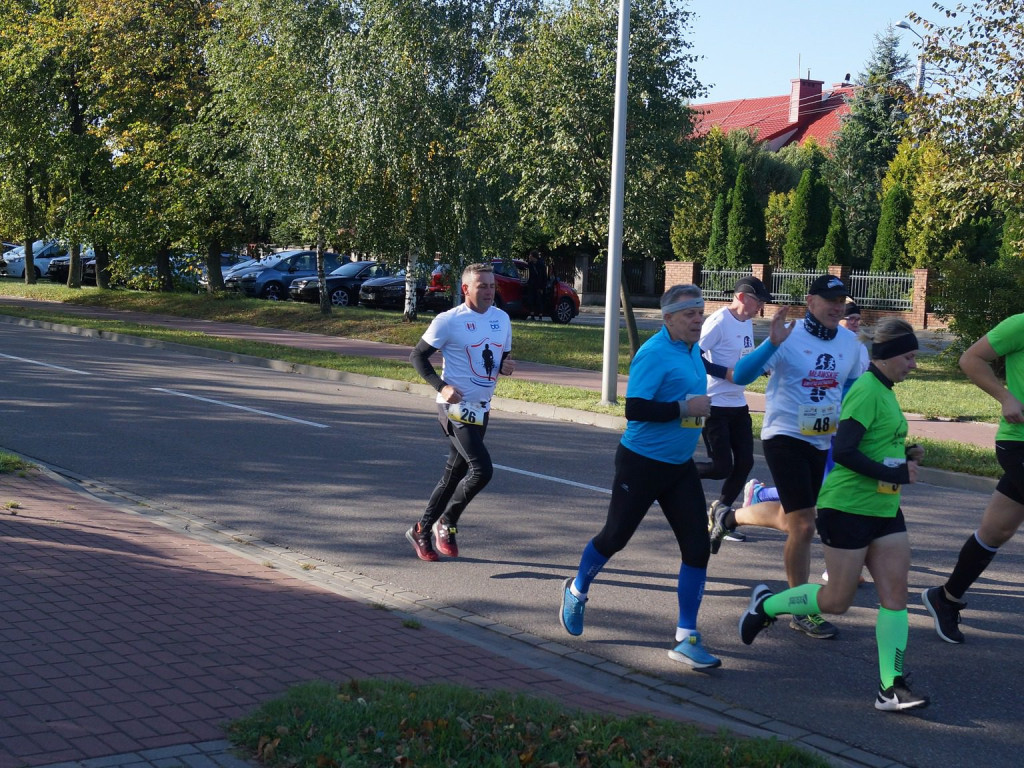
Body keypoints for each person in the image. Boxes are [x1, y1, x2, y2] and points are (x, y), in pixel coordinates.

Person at [558, 284, 791, 670]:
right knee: (615, 537)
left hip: (679, 466)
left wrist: (772, 345)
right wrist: (686, 407)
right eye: (689, 315)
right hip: (641, 462)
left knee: (697, 547)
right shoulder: (653, 353)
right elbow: (634, 408)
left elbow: (740, 374)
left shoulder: (692, 351)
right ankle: (577, 589)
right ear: (668, 319)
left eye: (700, 313)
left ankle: (686, 637)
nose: (698, 320)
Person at [738, 318, 929, 712]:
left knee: (895, 597)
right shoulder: (866, 391)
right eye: (909, 356)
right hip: (847, 509)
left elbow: (876, 445)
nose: (914, 364)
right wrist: (891, 471)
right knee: (836, 601)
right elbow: (843, 451)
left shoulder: (887, 392)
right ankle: (767, 606)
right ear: (890, 356)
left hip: (885, 509)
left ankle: (890, 687)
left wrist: (905, 456)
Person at [709, 274, 867, 639]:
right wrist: (770, 344)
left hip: (822, 440)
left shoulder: (850, 343)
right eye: (829, 300)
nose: (837, 306)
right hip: (784, 436)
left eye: (841, 300)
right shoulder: (788, 335)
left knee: (792, 518)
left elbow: (851, 386)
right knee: (804, 526)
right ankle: (801, 609)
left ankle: (730, 517)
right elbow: (743, 376)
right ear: (810, 302)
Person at [921, 312, 1024, 643]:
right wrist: (1006, 396)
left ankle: (946, 598)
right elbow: (971, 358)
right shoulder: (1020, 324)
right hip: (1019, 440)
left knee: (998, 529)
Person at [406, 262, 516, 561]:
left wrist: (505, 366)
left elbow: (501, 355)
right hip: (453, 407)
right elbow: (418, 356)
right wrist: (441, 387)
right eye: (483, 286)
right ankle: (448, 521)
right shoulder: (448, 320)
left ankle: (421, 528)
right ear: (466, 289)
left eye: (493, 286)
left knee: (455, 473)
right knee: (481, 470)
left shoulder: (502, 319)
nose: (490, 291)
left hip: (481, 408)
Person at [696, 276, 774, 544]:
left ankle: (720, 514)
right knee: (721, 466)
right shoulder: (718, 322)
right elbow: (693, 353)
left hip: (738, 404)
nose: (760, 308)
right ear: (742, 298)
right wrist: (724, 373)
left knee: (745, 462)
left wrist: (762, 368)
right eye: (758, 301)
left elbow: (743, 358)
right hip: (714, 404)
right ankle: (677, 472)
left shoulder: (746, 322)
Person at [526, 249, 548, 320]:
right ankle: (532, 315)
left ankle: (540, 316)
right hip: (532, 285)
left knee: (539, 301)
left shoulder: (541, 265)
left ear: (533, 256)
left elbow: (544, 277)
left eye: (530, 255)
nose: (529, 257)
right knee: (531, 300)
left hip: (539, 285)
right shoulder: (530, 264)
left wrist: (542, 287)